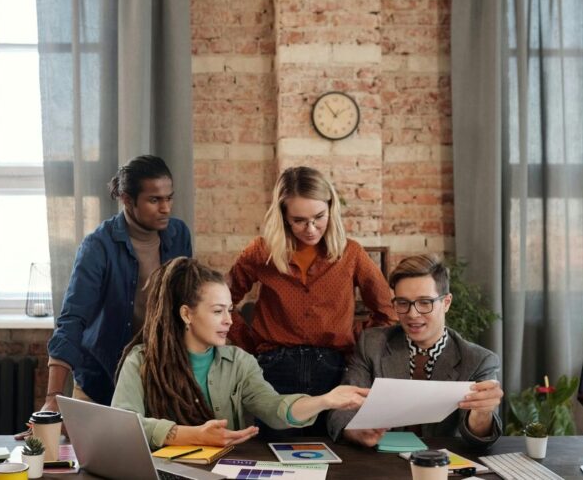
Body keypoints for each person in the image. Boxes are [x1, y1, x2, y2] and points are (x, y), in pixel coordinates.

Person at [112, 258, 368, 448]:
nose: (229, 321)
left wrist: (325, 400)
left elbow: (274, 408)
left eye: (230, 310)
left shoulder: (240, 362)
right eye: (217, 311)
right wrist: (190, 435)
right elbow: (123, 426)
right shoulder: (142, 361)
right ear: (186, 314)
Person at [227, 166, 396, 437]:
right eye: (299, 220)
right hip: (273, 372)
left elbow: (388, 312)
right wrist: (251, 345)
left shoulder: (351, 254)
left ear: (331, 208)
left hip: (333, 371)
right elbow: (224, 303)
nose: (311, 228)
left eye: (319, 217)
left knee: (333, 458)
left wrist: (351, 337)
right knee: (275, 457)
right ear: (283, 216)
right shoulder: (260, 253)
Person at [44, 155, 192, 410]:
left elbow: (187, 302)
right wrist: (52, 398)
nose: (166, 208)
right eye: (154, 200)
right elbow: (72, 319)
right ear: (127, 199)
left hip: (160, 382)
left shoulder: (179, 235)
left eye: (169, 198)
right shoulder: (98, 246)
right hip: (101, 383)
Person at [327, 254, 505, 448]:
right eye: (403, 303)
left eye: (424, 303)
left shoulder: (479, 360)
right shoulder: (372, 344)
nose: (413, 314)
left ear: (446, 303)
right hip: (381, 464)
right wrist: (355, 431)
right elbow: (340, 411)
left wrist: (482, 413)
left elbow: (478, 439)